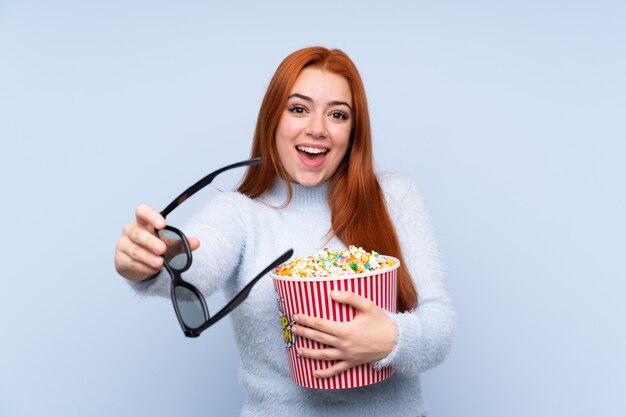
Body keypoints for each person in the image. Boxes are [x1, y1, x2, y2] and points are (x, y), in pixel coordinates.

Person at [114, 46, 456, 417]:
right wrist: (149, 259)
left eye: (337, 115)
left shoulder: (394, 196)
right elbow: (193, 265)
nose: (317, 128)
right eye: (298, 109)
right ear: (272, 118)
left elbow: (438, 324)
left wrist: (391, 338)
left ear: (354, 131)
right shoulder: (240, 214)